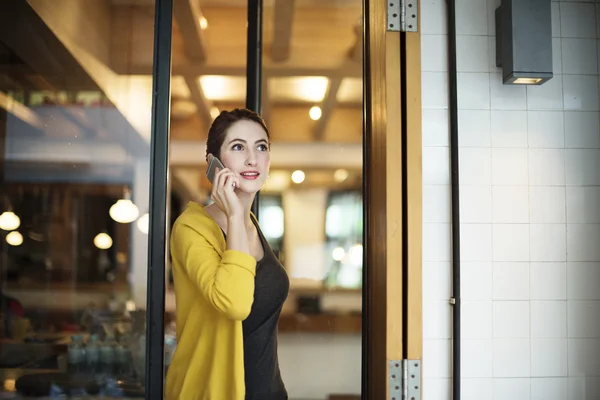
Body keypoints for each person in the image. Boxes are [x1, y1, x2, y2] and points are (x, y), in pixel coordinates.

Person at [166, 108, 290, 400]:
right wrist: (234, 215)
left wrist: (240, 218)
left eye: (261, 147)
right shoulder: (191, 228)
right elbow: (234, 304)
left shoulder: (252, 224)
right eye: (238, 147)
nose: (252, 158)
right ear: (213, 163)